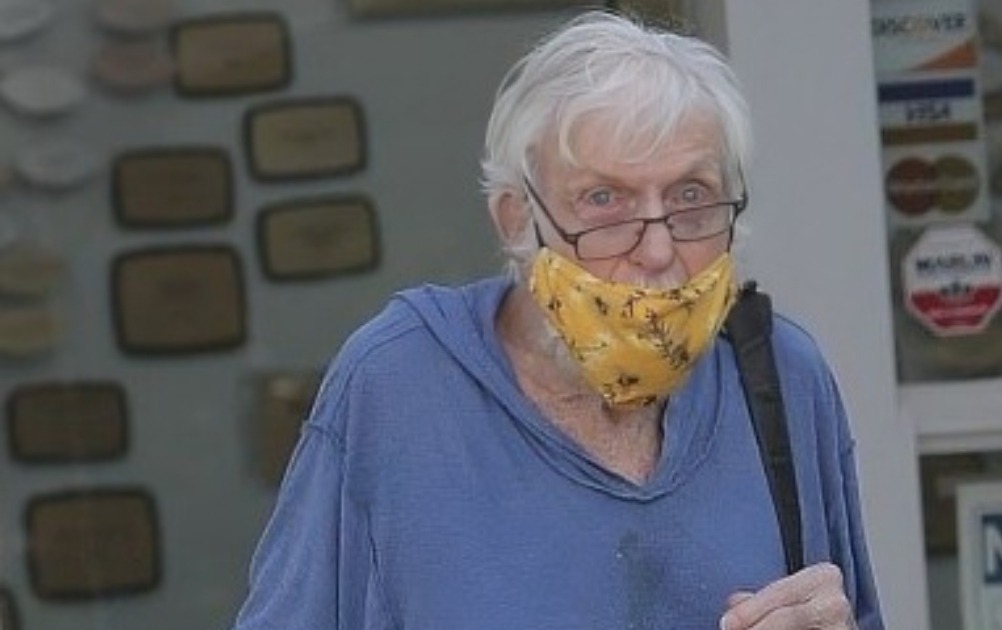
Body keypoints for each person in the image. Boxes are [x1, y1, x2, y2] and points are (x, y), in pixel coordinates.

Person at [231, 10, 884, 630]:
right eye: (604, 199)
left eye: (692, 195)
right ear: (517, 219)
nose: (658, 250)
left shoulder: (778, 376)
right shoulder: (400, 386)